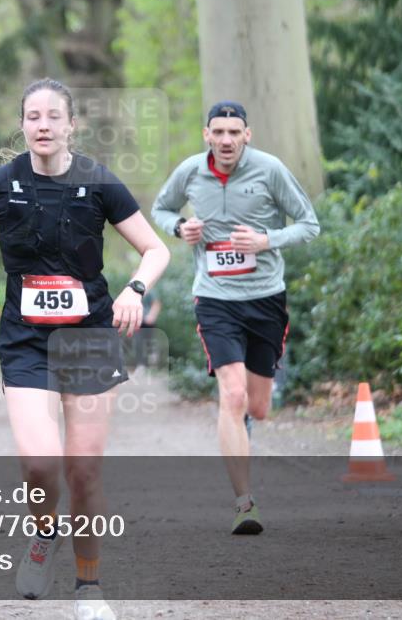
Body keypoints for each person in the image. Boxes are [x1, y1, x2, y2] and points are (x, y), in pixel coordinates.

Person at [0, 79, 169, 620]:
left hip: (90, 337)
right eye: (33, 116)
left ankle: (89, 588)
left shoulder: (99, 181)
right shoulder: (1, 185)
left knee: (84, 472)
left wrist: (134, 290)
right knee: (40, 464)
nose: (43, 125)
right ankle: (42, 533)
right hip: (25, 340)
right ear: (23, 124)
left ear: (71, 124)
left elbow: (154, 249)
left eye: (53, 116)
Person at [151, 101, 319, 535]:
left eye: (234, 132)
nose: (226, 140)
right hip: (215, 299)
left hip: (265, 299)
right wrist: (179, 228)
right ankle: (245, 503)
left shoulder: (270, 170)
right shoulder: (190, 171)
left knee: (258, 408)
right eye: (218, 132)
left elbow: (309, 224)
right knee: (233, 394)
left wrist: (267, 240)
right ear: (206, 133)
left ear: (248, 134)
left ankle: (240, 422)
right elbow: (161, 209)